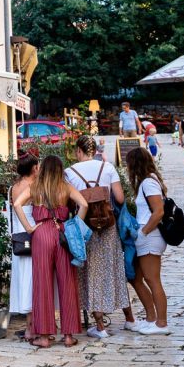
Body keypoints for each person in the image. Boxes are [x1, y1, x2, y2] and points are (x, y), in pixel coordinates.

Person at [64, 136, 137, 338]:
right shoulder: (108, 168)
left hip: (85, 227)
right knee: (115, 269)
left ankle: (100, 326)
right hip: (108, 224)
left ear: (79, 150)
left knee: (91, 273)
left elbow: (69, 204)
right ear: (95, 150)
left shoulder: (70, 172)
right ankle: (129, 319)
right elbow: (120, 198)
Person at [12, 156, 87, 348]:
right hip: (62, 234)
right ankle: (69, 335)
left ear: (42, 168)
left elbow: (17, 204)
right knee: (67, 282)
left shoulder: (36, 187)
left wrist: (29, 227)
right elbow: (84, 204)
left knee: (42, 284)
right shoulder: (65, 187)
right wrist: (75, 225)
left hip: (41, 233)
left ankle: (44, 336)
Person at [125, 148, 170, 334]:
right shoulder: (147, 181)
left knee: (153, 279)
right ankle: (151, 317)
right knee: (136, 277)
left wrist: (143, 232)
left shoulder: (148, 183)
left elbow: (158, 211)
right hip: (146, 234)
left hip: (150, 235)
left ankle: (161, 323)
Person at [8, 155, 38, 340]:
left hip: (19, 238)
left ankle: (31, 326)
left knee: (24, 280)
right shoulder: (32, 187)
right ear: (34, 168)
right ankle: (31, 327)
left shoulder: (14, 187)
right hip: (31, 233)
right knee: (32, 281)